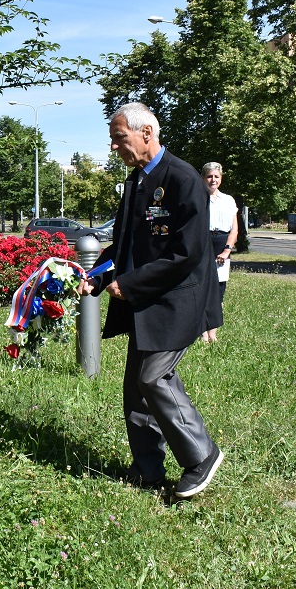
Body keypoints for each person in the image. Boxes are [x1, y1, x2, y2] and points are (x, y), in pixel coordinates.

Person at [78, 102, 223, 498]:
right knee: (134, 390)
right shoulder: (137, 182)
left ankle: (201, 456)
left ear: (147, 132)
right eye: (112, 139)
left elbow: (187, 253)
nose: (114, 147)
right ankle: (148, 470)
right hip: (145, 303)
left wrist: (130, 284)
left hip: (176, 300)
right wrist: (97, 275)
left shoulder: (182, 179)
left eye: (118, 138)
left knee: (153, 377)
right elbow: (124, 246)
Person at [201, 162, 238, 342]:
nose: (213, 180)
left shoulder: (229, 200)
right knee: (201, 290)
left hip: (222, 248)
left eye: (216, 176)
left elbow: (234, 230)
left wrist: (227, 250)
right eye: (209, 176)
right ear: (203, 178)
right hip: (202, 246)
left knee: (218, 291)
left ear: (221, 179)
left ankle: (212, 332)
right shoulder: (198, 197)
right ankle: (201, 332)